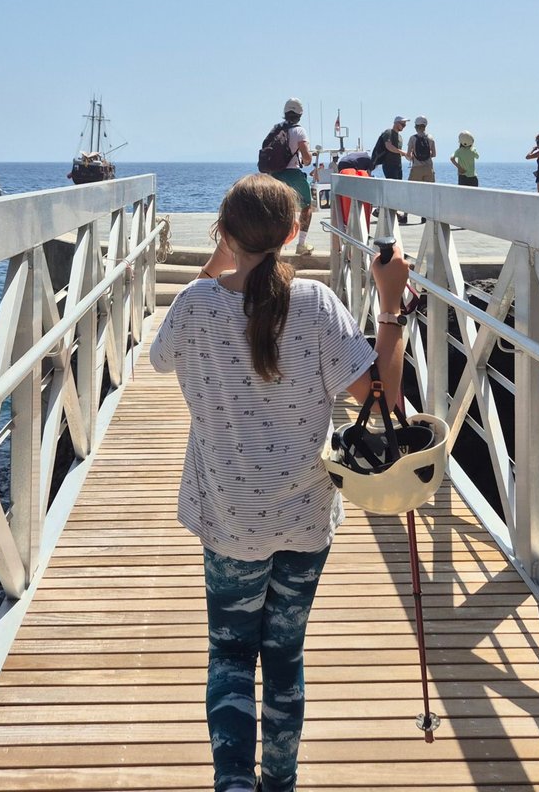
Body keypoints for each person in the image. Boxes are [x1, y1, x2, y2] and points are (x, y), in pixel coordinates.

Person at [151, 175, 412, 792]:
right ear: (297, 233)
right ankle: (280, 783)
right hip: (304, 516)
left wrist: (218, 259)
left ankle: (234, 784)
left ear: (223, 232)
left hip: (227, 515)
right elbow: (385, 399)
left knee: (232, 655)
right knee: (284, 655)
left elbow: (160, 359)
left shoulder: (194, 307)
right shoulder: (319, 305)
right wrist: (390, 303)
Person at [269, 97, 317, 257]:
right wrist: (307, 158)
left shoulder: (276, 129)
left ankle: (273, 247)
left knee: (277, 209)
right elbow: (307, 158)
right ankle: (301, 245)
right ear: (300, 114)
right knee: (306, 207)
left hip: (274, 174)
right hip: (292, 173)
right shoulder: (299, 131)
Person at [369, 115, 412, 224]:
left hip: (398, 165)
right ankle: (382, 210)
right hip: (389, 165)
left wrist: (407, 155)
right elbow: (388, 146)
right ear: (396, 123)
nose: (404, 126)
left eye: (405, 124)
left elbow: (396, 151)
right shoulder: (388, 132)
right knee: (392, 187)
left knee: (396, 188)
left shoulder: (400, 137)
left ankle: (387, 210)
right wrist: (403, 152)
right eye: (402, 124)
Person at [407, 117, 437, 183]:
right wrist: (426, 155)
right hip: (429, 168)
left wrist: (413, 157)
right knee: (429, 191)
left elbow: (408, 155)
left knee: (413, 190)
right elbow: (434, 154)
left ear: (416, 126)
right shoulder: (430, 137)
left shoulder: (412, 138)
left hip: (416, 168)